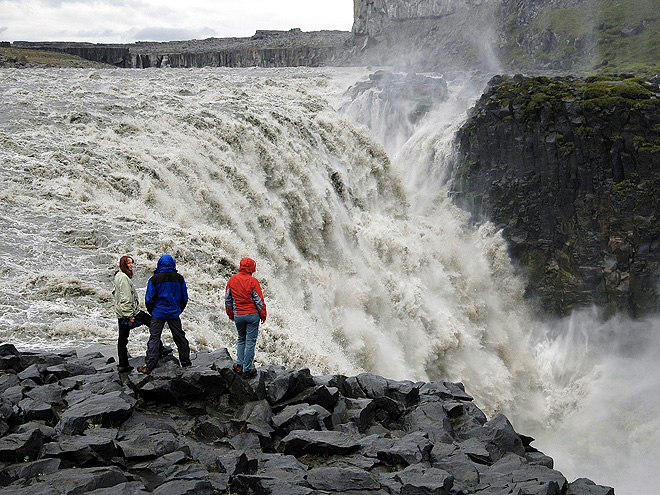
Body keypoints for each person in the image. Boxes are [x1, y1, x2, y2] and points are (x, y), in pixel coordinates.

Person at [112, 255, 171, 373]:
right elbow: (126, 297)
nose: (131, 265)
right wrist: (129, 315)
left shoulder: (119, 276)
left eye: (131, 263)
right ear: (124, 264)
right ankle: (160, 349)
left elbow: (116, 294)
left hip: (123, 311)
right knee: (151, 323)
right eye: (128, 263)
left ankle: (123, 364)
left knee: (123, 339)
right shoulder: (123, 278)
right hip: (130, 312)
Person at [138, 254, 191, 373]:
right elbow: (184, 298)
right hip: (173, 313)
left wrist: (153, 312)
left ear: (159, 264)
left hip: (158, 313)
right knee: (180, 338)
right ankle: (186, 363)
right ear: (173, 264)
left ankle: (149, 366)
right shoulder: (179, 278)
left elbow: (149, 299)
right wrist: (178, 310)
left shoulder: (154, 279)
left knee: (154, 339)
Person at [225, 257, 267, 379]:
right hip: (252, 315)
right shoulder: (253, 281)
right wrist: (263, 314)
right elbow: (258, 301)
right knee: (250, 341)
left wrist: (230, 313)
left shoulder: (232, 280)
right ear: (251, 268)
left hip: (238, 314)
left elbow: (228, 299)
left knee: (241, 339)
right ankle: (247, 369)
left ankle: (239, 364)